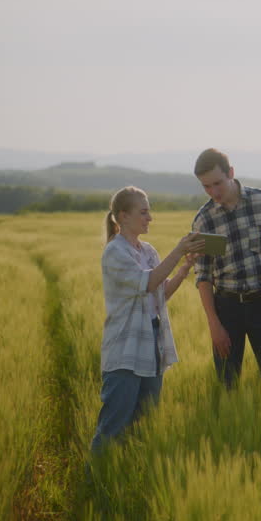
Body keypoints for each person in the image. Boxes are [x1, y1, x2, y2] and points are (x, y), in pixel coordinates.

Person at [93, 186, 204, 451]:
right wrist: (178, 251)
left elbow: (160, 293)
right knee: (114, 425)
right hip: (125, 347)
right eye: (143, 212)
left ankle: (129, 470)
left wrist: (184, 268)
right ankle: (96, 474)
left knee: (144, 423)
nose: (150, 218)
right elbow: (148, 282)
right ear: (124, 216)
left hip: (153, 343)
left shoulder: (148, 250)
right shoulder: (115, 252)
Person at [191, 148, 261, 386]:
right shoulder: (205, 219)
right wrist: (214, 324)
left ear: (231, 172)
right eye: (206, 186)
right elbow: (203, 275)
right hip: (226, 308)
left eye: (217, 183)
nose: (213, 192)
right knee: (227, 383)